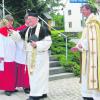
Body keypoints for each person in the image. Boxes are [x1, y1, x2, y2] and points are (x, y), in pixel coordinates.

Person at [9, 12, 52, 100]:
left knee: (38, 75)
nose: (29, 21)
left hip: (40, 56)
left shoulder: (44, 29)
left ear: (37, 19)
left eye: (31, 19)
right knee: (36, 75)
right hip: (31, 55)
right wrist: (12, 33)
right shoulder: (28, 29)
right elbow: (18, 36)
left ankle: (35, 95)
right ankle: (42, 92)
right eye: (28, 19)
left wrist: (37, 44)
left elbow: (48, 42)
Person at [71, 4, 100, 100]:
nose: (81, 12)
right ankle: (87, 94)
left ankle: (92, 95)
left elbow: (92, 39)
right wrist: (77, 46)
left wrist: (81, 45)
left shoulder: (93, 22)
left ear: (89, 10)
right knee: (86, 74)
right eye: (81, 10)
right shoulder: (88, 22)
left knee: (91, 73)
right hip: (88, 53)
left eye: (83, 10)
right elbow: (84, 38)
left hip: (93, 55)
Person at [0, 15, 17, 96]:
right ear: (5, 21)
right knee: (7, 73)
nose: (11, 23)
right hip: (6, 56)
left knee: (12, 72)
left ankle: (12, 87)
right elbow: (1, 44)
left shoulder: (13, 30)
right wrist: (2, 55)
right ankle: (7, 88)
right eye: (9, 21)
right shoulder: (1, 31)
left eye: (12, 21)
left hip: (13, 55)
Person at [15, 14, 30, 94]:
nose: (30, 21)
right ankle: (25, 86)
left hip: (31, 52)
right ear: (25, 20)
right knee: (23, 70)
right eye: (29, 19)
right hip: (22, 52)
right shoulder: (19, 29)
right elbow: (16, 40)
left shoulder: (34, 29)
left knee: (29, 69)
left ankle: (28, 85)